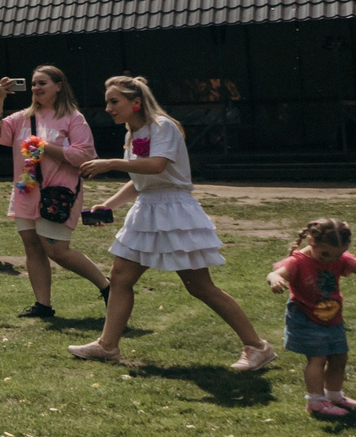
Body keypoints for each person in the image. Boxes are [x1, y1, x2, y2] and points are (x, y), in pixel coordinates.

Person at [68, 76, 274, 372]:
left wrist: (112, 163)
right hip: (147, 210)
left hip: (175, 212)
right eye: (107, 102)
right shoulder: (133, 133)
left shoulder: (163, 127)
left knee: (200, 286)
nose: (108, 108)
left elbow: (157, 166)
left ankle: (257, 347)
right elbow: (142, 181)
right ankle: (107, 346)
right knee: (121, 276)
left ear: (135, 103)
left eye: (114, 102)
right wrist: (109, 204)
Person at [0, 66, 112, 320]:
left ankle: (108, 287)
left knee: (57, 250)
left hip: (58, 192)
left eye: (42, 83)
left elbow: (85, 155)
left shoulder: (72, 118)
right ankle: (42, 305)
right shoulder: (22, 117)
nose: (36, 88)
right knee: (32, 247)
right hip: (26, 192)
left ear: (58, 85)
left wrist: (46, 147)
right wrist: (0, 97)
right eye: (33, 84)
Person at [269, 219, 356, 418]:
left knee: (339, 356)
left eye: (337, 255)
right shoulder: (297, 261)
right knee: (317, 358)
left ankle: (335, 396)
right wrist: (276, 279)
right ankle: (316, 402)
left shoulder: (340, 259)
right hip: (305, 317)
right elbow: (276, 273)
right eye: (325, 254)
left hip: (332, 316)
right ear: (311, 241)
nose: (330, 260)